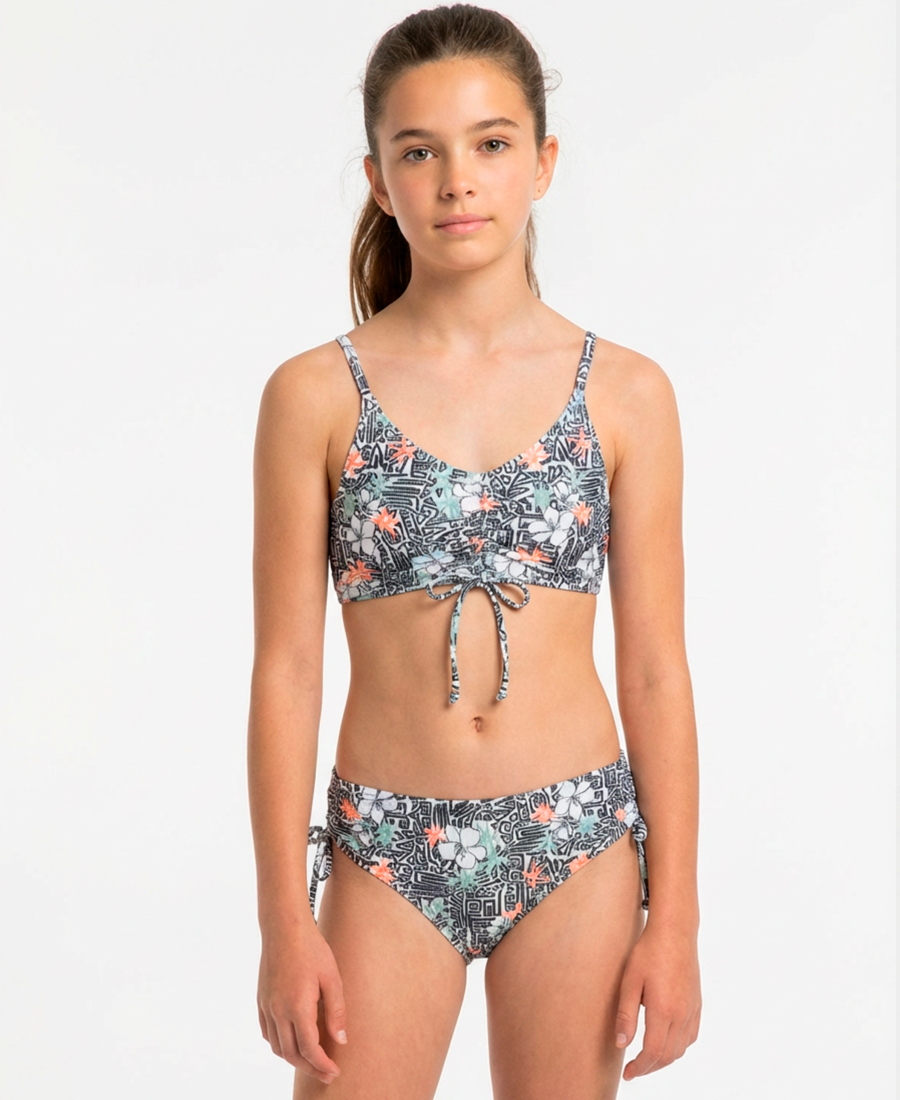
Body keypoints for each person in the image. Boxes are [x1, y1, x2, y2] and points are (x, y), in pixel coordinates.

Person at [247, 4, 701, 1096]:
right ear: (377, 179)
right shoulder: (313, 395)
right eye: (420, 152)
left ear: (542, 162)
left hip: (577, 839)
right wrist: (283, 921)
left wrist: (676, 916)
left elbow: (654, 667)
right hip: (385, 845)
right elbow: (287, 669)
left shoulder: (628, 393)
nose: (458, 180)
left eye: (491, 143)